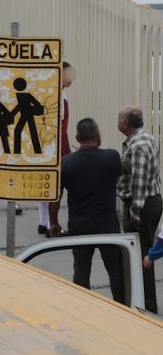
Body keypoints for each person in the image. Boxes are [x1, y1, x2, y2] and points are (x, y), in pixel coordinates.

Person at [47, 119, 125, 304]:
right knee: (116, 271)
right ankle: (122, 308)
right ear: (98, 136)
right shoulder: (112, 157)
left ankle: (83, 307)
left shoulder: (66, 163)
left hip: (79, 227)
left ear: (77, 138)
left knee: (81, 270)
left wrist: (53, 222)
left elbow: (54, 198)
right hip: (108, 228)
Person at [117, 106, 161, 313]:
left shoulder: (137, 147)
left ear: (125, 123)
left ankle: (147, 308)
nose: (117, 121)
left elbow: (139, 183)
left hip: (143, 205)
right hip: (150, 200)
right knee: (142, 252)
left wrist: (135, 214)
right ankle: (144, 303)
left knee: (141, 256)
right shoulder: (145, 137)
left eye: (119, 118)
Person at [37, 61, 76, 235]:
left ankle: (44, 222)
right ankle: (49, 224)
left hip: (53, 143)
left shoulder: (60, 93)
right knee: (55, 186)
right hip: (55, 144)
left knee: (48, 183)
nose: (71, 80)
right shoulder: (55, 95)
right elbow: (57, 126)